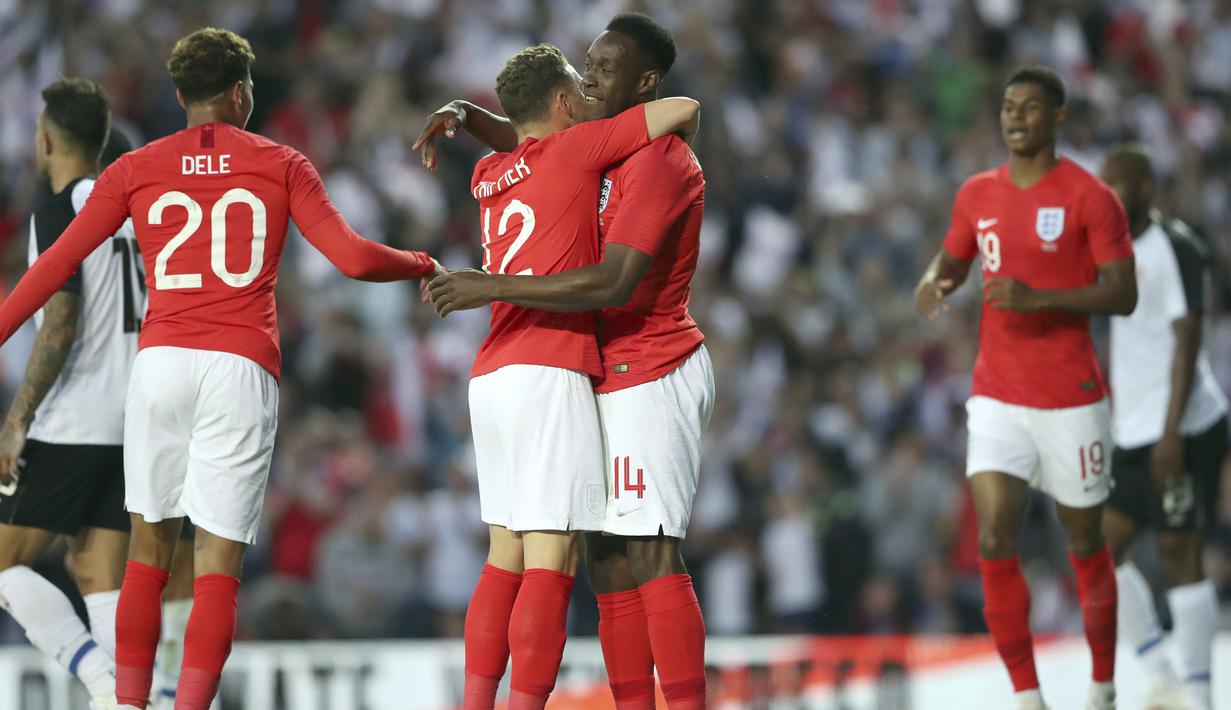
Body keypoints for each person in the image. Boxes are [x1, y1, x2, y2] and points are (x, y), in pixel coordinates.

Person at [0, 28, 440, 710]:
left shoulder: (134, 167)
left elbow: (55, 267)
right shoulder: (282, 163)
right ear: (240, 93)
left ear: (179, 96)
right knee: (215, 570)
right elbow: (351, 259)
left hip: (162, 363)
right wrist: (423, 263)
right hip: (238, 366)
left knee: (147, 554)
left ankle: (128, 704)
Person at [418, 14, 710, 710]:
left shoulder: (658, 160)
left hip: (648, 365)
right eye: (586, 64)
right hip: (586, 368)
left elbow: (613, 282)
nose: (590, 76)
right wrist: (468, 112)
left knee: (646, 551)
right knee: (604, 562)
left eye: (606, 68)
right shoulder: (587, 147)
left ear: (643, 82)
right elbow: (532, 137)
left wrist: (488, 284)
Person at [914, 66, 1136, 710]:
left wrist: (1041, 298)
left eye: (1031, 107)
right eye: (1008, 105)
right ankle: (1027, 696)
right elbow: (952, 258)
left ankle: (1101, 685)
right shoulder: (978, 193)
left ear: (1058, 118)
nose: (1015, 116)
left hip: (1071, 398)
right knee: (992, 539)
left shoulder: (1091, 198)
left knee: (1085, 545)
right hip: (997, 397)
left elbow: (1123, 292)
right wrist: (935, 280)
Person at [0, 78, 140, 710]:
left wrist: (17, 417)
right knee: (96, 574)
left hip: (76, 414)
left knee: (4, 563)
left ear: (48, 139)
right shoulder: (135, 210)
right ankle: (127, 700)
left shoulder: (59, 211)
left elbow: (59, 323)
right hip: (135, 417)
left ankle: (101, 682)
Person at [1099, 145, 1228, 710]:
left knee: (1181, 552)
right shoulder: (1108, 246)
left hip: (1183, 427)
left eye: (1119, 187)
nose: (1110, 197)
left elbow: (1187, 339)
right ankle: (1162, 673)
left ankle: (1197, 697)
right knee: (1097, 552)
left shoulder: (1179, 248)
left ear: (1147, 189)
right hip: (1133, 429)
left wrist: (1172, 431)